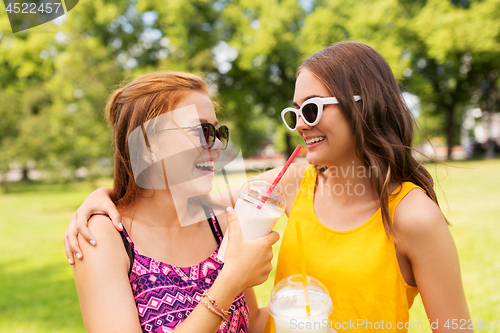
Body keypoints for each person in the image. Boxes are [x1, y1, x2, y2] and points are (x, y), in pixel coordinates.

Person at [65, 42, 471, 332]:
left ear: (362, 106)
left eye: (311, 109)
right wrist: (103, 198)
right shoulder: (292, 184)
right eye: (294, 113)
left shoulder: (412, 216)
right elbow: (161, 205)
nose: (300, 124)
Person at [70, 71, 279, 333]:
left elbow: (249, 325)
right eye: (201, 130)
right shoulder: (102, 237)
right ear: (146, 147)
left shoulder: (222, 221)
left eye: (216, 131)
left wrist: (298, 304)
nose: (215, 146)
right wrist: (231, 282)